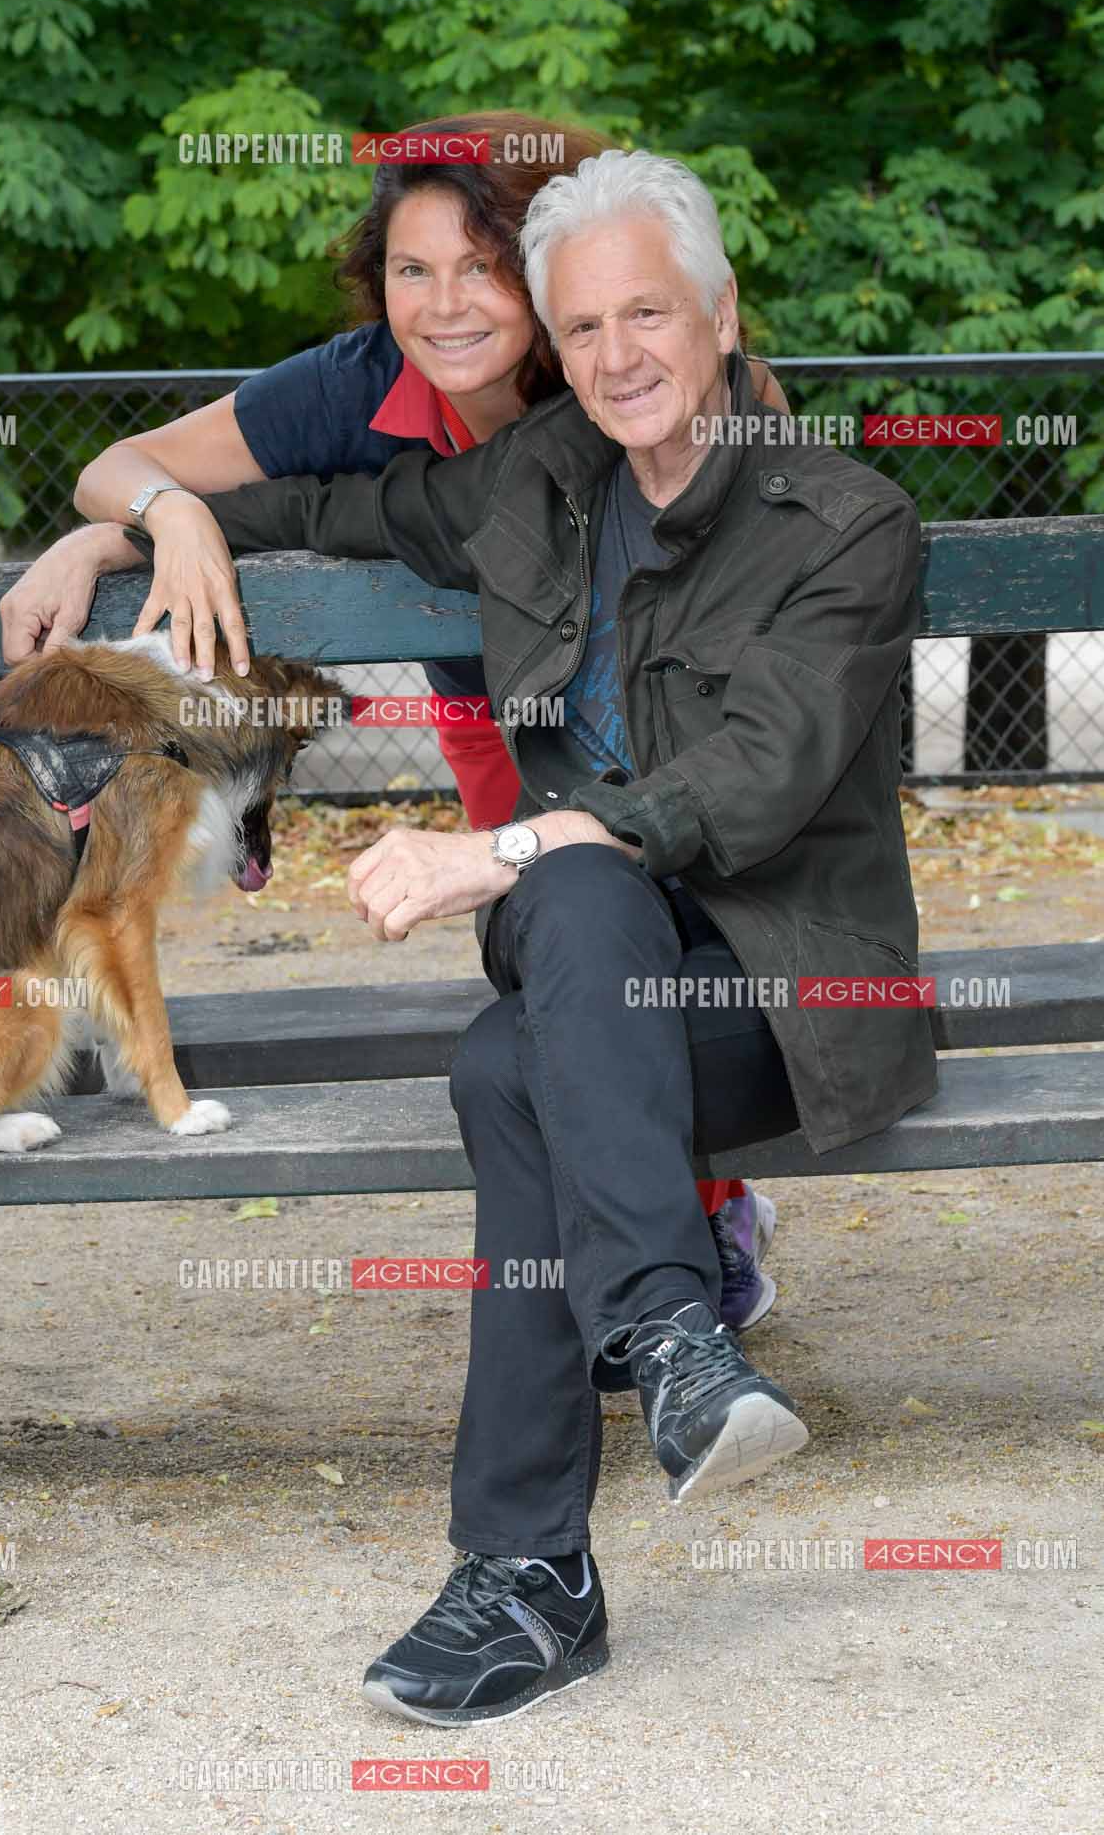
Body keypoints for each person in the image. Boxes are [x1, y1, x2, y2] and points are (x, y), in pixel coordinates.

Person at [117, 149, 937, 1724]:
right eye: (586, 325)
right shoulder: (536, 479)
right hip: (594, 978)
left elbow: (751, 781)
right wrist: (139, 524)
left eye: (651, 313)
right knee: (565, 927)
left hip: (781, 1000)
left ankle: (530, 1568)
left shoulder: (845, 520)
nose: (621, 354)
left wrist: (494, 845)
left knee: (512, 1059)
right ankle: (674, 1349)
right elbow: (298, 499)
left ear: (719, 313)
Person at [0, 113, 781, 1325]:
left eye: (481, 266)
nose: (445, 304)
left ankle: (706, 1216)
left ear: (544, 272)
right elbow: (125, 464)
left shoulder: (625, 362)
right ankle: (649, 1253)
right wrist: (155, 519)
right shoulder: (360, 378)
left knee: (675, 931)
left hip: (661, 708)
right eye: (413, 269)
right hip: (499, 707)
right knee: (567, 946)